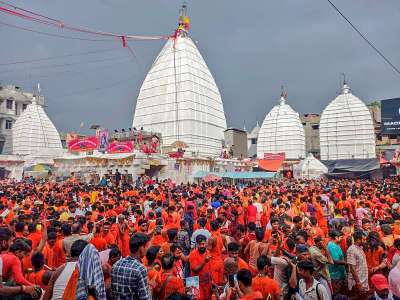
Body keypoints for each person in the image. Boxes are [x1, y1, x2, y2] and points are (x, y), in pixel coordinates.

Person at [111, 233, 150, 300]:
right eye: (146, 247)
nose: (147, 250)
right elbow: (145, 298)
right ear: (141, 248)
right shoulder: (140, 269)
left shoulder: (116, 265)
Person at [189, 234, 212, 300]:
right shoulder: (193, 254)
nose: (202, 246)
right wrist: (204, 261)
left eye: (203, 244)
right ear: (196, 244)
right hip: (195, 282)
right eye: (199, 244)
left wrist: (212, 281)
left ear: (206, 243)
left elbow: (210, 268)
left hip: (206, 281)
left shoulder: (208, 252)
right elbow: (195, 270)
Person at [347, 230, 369, 297]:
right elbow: (352, 268)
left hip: (363, 280)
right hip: (357, 282)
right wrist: (358, 283)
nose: (365, 241)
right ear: (358, 240)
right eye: (364, 239)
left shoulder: (360, 248)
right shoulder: (352, 250)